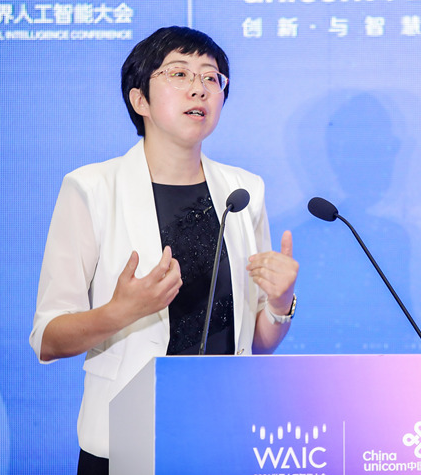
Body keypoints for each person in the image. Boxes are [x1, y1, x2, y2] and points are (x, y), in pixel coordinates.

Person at [29, 26, 298, 474]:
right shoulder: (92, 189)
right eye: (179, 73)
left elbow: (256, 344)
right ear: (140, 100)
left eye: (211, 77)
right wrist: (120, 311)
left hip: (222, 437)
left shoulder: (243, 191)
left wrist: (280, 301)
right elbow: (49, 339)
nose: (199, 87)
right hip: (126, 441)